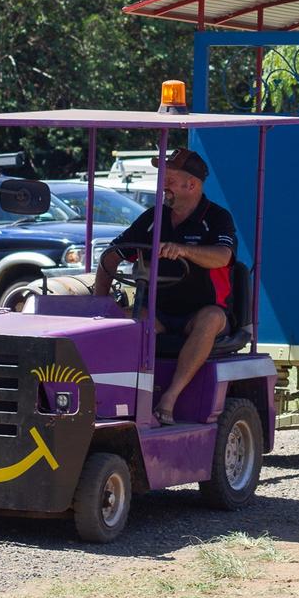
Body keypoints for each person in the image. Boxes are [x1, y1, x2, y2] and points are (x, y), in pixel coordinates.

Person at [93, 147, 236, 425]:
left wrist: (183, 250)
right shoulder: (152, 218)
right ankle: (115, 399)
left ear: (191, 185)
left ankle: (169, 399)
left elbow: (223, 256)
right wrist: (99, 303)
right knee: (126, 323)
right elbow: (112, 256)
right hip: (158, 311)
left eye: (168, 180)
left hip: (202, 313)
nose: (162, 186)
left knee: (210, 319)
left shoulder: (217, 218)